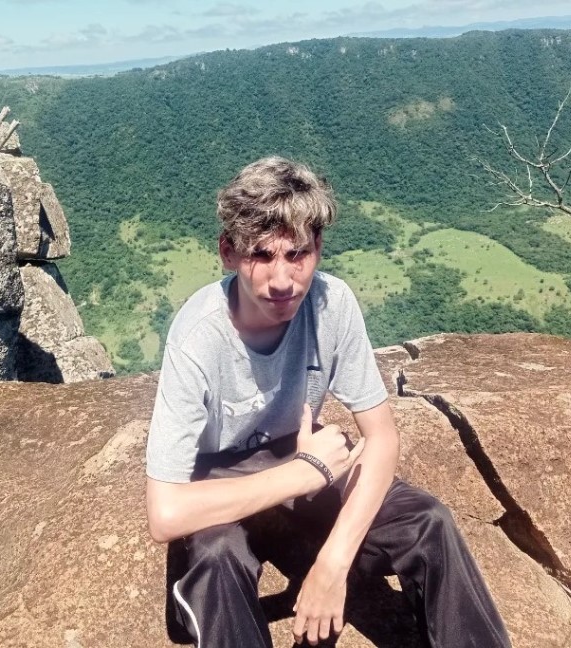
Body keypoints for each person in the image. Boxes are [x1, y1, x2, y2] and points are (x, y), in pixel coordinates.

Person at [144, 156, 511, 648]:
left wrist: (333, 564)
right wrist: (303, 474)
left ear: (318, 248)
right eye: (261, 255)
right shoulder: (198, 339)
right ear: (228, 252)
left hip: (298, 453)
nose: (282, 280)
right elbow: (166, 514)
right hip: (219, 476)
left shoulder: (331, 304)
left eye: (297, 254)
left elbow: (381, 438)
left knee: (428, 522)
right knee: (217, 556)